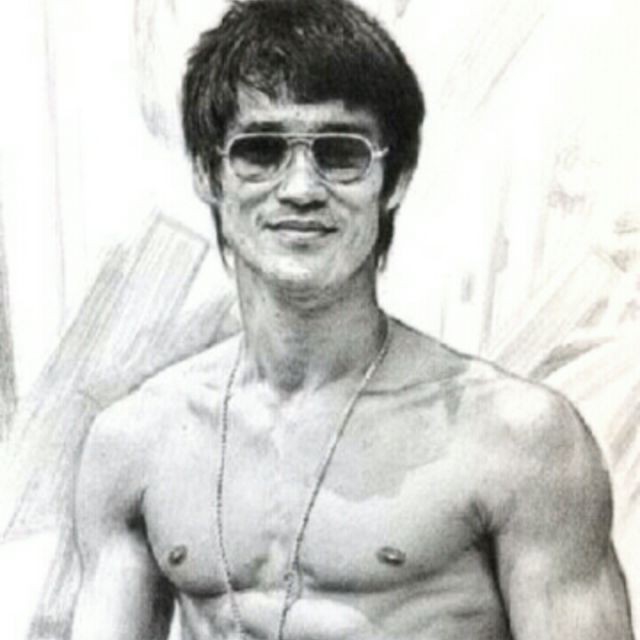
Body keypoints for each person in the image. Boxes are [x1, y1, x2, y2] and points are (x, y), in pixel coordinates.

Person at [70, 0, 635, 638]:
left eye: (340, 153)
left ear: (394, 179)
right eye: (261, 152)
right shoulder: (136, 444)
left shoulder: (518, 439)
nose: (301, 189)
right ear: (208, 173)